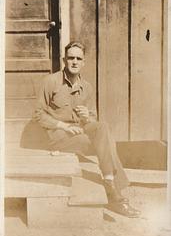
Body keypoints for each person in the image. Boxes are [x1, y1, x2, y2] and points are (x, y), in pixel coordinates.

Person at [34, 41, 140, 218]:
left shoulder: (87, 87)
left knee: (103, 129)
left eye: (78, 58)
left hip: (77, 135)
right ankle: (116, 195)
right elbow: (38, 115)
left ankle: (110, 184)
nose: (74, 62)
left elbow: (92, 119)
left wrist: (86, 118)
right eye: (71, 58)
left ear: (83, 62)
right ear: (64, 60)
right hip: (55, 137)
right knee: (105, 143)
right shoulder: (51, 82)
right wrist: (63, 125)